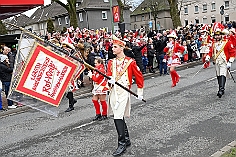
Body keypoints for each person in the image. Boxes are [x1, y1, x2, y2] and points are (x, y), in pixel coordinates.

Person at [106, 35, 144, 156]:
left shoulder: (130, 62)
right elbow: (108, 75)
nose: (112, 48)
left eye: (115, 47)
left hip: (123, 91)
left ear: (121, 48)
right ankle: (126, 139)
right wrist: (109, 81)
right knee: (118, 115)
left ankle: (121, 144)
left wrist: (139, 92)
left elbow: (139, 77)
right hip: (114, 91)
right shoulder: (111, 62)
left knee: (117, 116)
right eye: (113, 46)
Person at [205, 22, 235, 98]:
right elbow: (210, 51)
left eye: (219, 35)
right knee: (218, 75)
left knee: (222, 74)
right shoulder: (214, 43)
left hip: (224, 61)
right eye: (216, 35)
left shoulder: (227, 42)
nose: (217, 36)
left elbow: (232, 52)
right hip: (217, 61)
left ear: (221, 35)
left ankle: (221, 90)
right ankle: (221, 88)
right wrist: (208, 57)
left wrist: (230, 61)